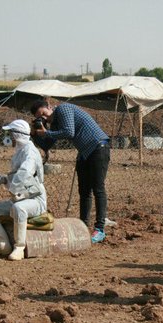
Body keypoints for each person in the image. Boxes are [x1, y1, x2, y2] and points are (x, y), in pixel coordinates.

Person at [31, 100, 109, 243]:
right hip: (85, 153)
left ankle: (100, 229)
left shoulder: (63, 109)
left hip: (98, 147)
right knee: (84, 191)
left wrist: (47, 132)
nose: (45, 118)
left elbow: (69, 131)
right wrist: (35, 134)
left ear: (49, 106)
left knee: (98, 189)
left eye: (44, 113)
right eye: (40, 117)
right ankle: (84, 227)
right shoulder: (54, 123)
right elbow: (47, 145)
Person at [0, 119, 47, 261]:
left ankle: (19, 247)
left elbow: (25, 173)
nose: (10, 136)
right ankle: (3, 244)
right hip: (20, 197)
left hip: (35, 199)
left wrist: (11, 186)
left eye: (11, 133)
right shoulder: (20, 150)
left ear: (17, 135)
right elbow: (17, 174)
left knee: (19, 208)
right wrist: (4, 179)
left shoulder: (30, 152)